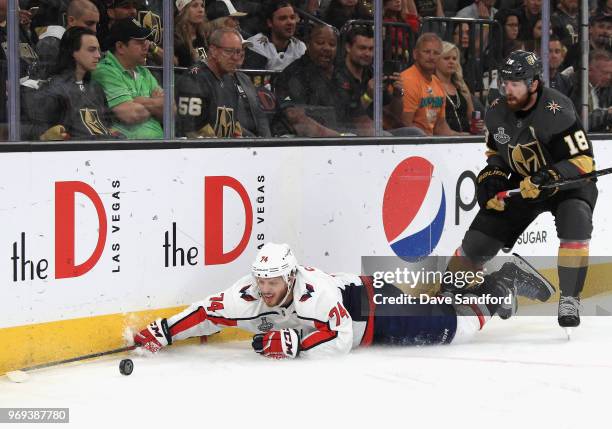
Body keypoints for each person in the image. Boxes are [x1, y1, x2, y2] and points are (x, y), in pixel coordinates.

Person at [133, 242, 555, 358]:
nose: (264, 289)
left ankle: (500, 284)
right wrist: (163, 333)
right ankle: (487, 287)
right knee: (443, 309)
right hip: (364, 314)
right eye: (261, 280)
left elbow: (338, 338)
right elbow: (208, 311)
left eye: (273, 280)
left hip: (373, 311)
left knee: (457, 330)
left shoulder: (313, 291)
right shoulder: (248, 294)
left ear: (291, 274)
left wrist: (295, 344)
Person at [444, 50, 596, 330]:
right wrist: (494, 176)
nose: (509, 89)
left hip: (566, 184)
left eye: (516, 83)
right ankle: (466, 284)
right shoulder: (496, 111)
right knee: (477, 242)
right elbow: (496, 152)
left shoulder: (558, 110)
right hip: (524, 183)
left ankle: (570, 298)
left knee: (576, 218)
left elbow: (584, 160)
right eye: (506, 82)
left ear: (534, 83)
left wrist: (550, 175)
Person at [274, 24, 374, 136]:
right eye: (320, 43)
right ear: (308, 44)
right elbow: (296, 118)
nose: (326, 48)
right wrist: (338, 138)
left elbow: (358, 115)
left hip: (344, 140)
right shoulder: (292, 74)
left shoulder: (342, 75)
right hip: (301, 142)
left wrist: (376, 137)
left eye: (332, 44)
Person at [28, 27, 117, 140]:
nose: (98, 55)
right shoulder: (54, 90)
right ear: (73, 52)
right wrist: (45, 137)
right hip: (76, 154)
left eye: (98, 50)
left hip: (105, 150)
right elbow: (41, 133)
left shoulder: (96, 88)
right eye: (91, 50)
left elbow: (107, 125)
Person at [92, 18, 164, 139]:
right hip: (127, 149)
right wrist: (156, 104)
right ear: (120, 47)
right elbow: (131, 114)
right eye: (139, 42)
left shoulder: (144, 71)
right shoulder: (105, 71)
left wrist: (139, 101)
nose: (146, 46)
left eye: (145, 41)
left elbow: (170, 110)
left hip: (160, 146)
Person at [175, 27, 245, 138]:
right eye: (229, 51)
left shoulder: (229, 80)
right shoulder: (194, 79)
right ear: (213, 51)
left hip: (225, 150)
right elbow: (192, 130)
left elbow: (233, 126)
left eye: (238, 52)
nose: (235, 58)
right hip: (196, 152)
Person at [400, 33, 468, 136]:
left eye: (436, 53)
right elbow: (405, 125)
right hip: (413, 144)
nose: (431, 57)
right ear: (415, 54)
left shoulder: (436, 82)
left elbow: (440, 126)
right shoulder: (407, 80)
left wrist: (460, 137)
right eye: (427, 52)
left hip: (431, 142)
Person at [35, 0, 100, 80]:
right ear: (71, 20)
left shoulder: (92, 43)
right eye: (89, 23)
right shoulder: (51, 44)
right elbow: (42, 81)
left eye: (96, 24)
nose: (94, 29)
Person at [243, 0, 306, 71]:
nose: (290, 22)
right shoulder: (255, 45)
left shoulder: (300, 47)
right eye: (283, 18)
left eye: (292, 18)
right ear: (270, 22)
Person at [435, 41, 482, 135]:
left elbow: (471, 118)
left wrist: (478, 125)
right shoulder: (431, 85)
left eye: (454, 58)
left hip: (466, 137)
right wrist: (459, 135)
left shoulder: (461, 85)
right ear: (436, 61)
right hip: (444, 139)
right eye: (446, 58)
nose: (451, 61)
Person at [569, 49, 612, 132]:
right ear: (589, 70)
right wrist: (607, 114)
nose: (609, 77)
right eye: (604, 73)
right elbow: (578, 123)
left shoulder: (605, 87)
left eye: (610, 73)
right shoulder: (572, 87)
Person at [174, 0, 209, 68]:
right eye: (195, 6)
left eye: (202, 6)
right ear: (184, 11)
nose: (201, 10)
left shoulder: (204, 37)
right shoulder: (175, 37)